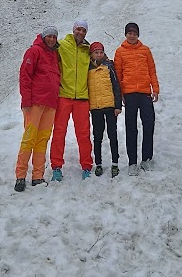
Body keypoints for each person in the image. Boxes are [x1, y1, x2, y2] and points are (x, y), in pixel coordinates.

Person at [14, 25, 61, 192]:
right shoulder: (33, 51)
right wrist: (26, 100)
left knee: (42, 140)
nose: (51, 39)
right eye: (49, 36)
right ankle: (20, 175)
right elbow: (25, 76)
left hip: (50, 104)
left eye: (54, 37)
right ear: (43, 37)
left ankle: (37, 176)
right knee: (29, 138)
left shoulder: (55, 54)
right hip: (34, 104)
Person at [114, 22, 159, 176]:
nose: (132, 36)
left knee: (149, 124)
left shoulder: (145, 50)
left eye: (134, 33)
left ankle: (146, 158)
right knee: (131, 128)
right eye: (129, 33)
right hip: (130, 94)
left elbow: (152, 70)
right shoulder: (120, 52)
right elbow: (118, 75)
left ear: (138, 35)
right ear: (126, 34)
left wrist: (155, 89)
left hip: (145, 93)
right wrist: (120, 96)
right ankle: (132, 162)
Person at [50, 19, 93, 180]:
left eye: (84, 30)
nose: (81, 32)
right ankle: (56, 166)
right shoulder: (61, 45)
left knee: (83, 134)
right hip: (64, 95)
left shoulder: (87, 50)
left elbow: (97, 60)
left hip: (82, 97)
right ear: (73, 29)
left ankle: (87, 166)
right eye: (79, 29)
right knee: (59, 132)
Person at [88, 41, 122, 177]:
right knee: (97, 136)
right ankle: (99, 164)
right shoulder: (88, 68)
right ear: (91, 54)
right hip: (95, 108)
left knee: (112, 135)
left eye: (101, 52)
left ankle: (115, 163)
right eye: (96, 52)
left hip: (109, 106)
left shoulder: (109, 65)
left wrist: (118, 105)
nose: (99, 54)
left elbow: (116, 85)